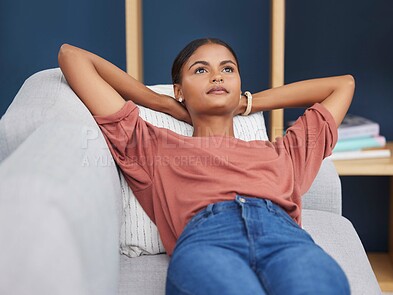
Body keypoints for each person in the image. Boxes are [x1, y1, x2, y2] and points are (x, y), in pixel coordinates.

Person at [58, 38, 354, 295]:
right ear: (180, 89)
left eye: (228, 69)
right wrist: (158, 102)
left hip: (285, 240)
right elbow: (72, 57)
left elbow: (343, 85)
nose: (217, 77)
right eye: (201, 70)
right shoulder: (155, 148)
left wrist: (248, 103)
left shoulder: (285, 153)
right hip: (209, 242)